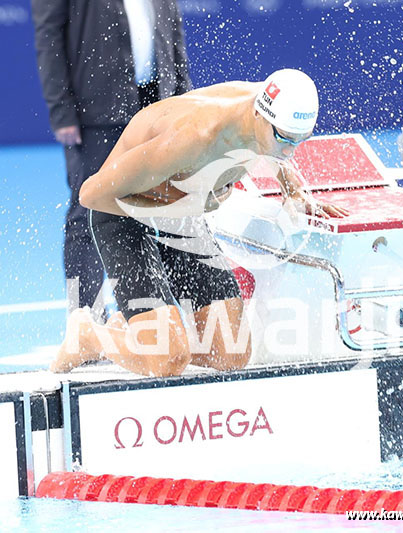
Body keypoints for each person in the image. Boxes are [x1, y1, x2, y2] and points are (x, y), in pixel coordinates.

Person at [51, 68, 349, 377]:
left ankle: (139, 333)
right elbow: (91, 195)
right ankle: (88, 336)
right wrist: (173, 200)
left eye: (300, 140)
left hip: (180, 216)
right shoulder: (193, 137)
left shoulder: (271, 103)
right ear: (260, 116)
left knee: (230, 354)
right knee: (168, 362)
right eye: (284, 138)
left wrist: (294, 191)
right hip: (124, 216)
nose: (289, 150)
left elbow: (280, 149)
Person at [31, 0, 192, 320]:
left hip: (157, 101)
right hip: (97, 110)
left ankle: (164, 315)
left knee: (167, 207)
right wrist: (61, 109)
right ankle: (85, 320)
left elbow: (172, 25)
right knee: (88, 211)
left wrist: (184, 97)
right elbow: (48, 35)